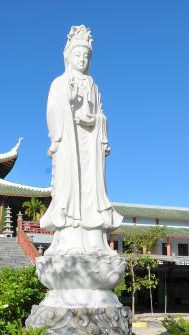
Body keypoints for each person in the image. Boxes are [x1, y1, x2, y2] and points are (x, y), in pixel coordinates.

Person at [40, 25, 122, 255]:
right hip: (69, 141)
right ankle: (70, 237)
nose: (82, 59)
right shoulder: (59, 83)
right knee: (70, 185)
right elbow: (52, 110)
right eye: (77, 55)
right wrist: (70, 106)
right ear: (68, 57)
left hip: (90, 142)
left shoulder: (93, 85)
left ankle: (95, 239)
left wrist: (94, 120)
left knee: (92, 187)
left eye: (86, 55)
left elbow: (102, 114)